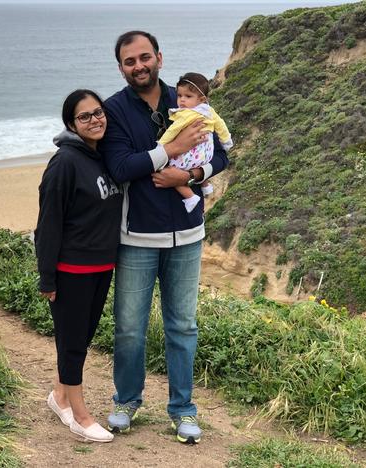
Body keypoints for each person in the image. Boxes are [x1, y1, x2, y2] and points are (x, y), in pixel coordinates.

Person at [98, 31, 229, 444]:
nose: (139, 66)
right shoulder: (114, 110)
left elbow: (220, 154)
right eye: (129, 61)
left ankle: (183, 409)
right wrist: (169, 153)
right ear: (121, 68)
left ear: (159, 57)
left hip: (189, 236)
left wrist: (189, 175)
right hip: (136, 236)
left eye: (144, 57)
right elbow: (120, 166)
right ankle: (127, 401)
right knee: (130, 328)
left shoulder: (188, 98)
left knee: (183, 327)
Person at [35, 89, 122, 443]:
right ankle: (80, 417)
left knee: (82, 339)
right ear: (72, 124)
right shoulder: (65, 163)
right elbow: (49, 223)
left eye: (98, 112)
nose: (94, 120)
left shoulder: (102, 156)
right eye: (84, 116)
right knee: (72, 344)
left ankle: (59, 397)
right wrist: (47, 277)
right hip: (72, 269)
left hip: (102, 266)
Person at [159, 72, 233, 212]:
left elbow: (173, 131)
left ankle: (190, 197)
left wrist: (161, 145)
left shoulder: (186, 114)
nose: (181, 101)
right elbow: (220, 125)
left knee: (170, 169)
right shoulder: (209, 111)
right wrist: (226, 140)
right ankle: (205, 185)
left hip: (191, 153)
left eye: (188, 96)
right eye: (179, 95)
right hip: (206, 153)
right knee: (201, 164)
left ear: (201, 99)